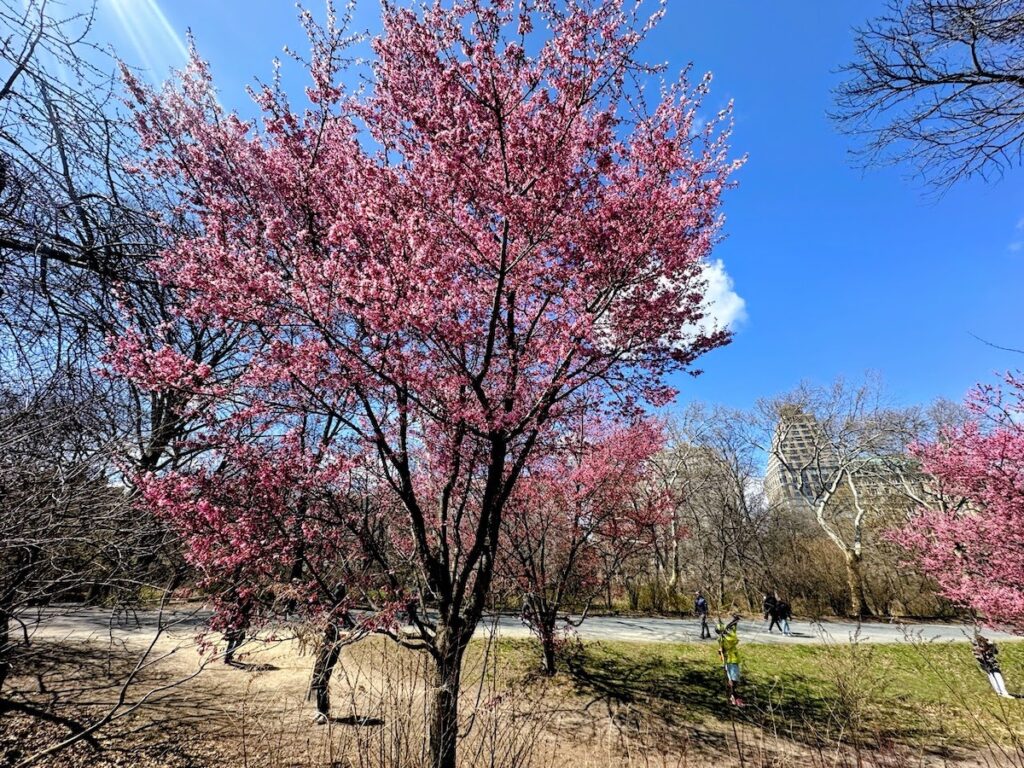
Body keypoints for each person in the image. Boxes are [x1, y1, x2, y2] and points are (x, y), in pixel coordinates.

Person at [973, 632, 1014, 698]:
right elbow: (978, 657)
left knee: (997, 676)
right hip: (985, 664)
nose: (982, 646)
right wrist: (983, 663)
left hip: (993, 664)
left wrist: (992, 645)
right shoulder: (976, 648)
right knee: (992, 677)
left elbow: (996, 652)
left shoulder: (989, 646)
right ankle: (1000, 692)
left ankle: (1003, 691)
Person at [716, 615, 745, 707]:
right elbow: (734, 638)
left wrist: (734, 622)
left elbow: (733, 631)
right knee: (733, 680)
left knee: (734, 680)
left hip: (733, 660)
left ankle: (734, 696)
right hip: (730, 660)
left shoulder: (725, 637)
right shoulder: (724, 639)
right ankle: (733, 697)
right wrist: (730, 627)